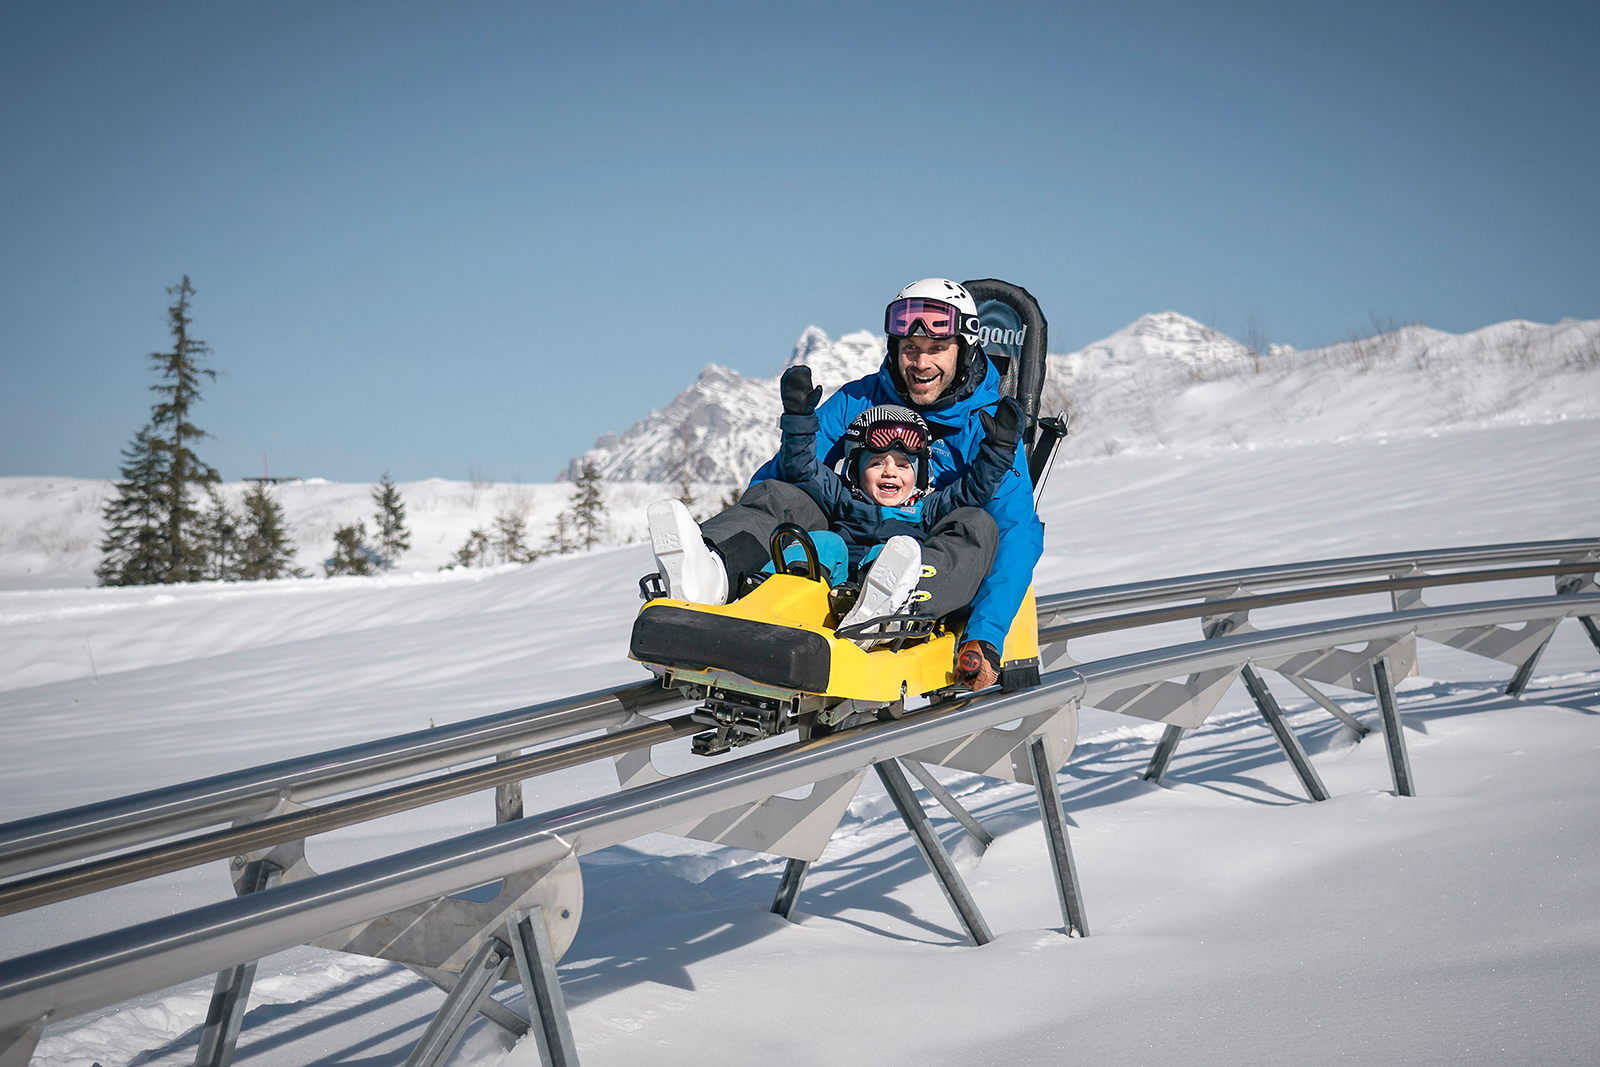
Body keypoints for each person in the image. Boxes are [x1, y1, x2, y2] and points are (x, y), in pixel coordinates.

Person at [647, 277, 1045, 690]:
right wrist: (797, 428)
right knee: (780, 492)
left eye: (936, 350)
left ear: (963, 351)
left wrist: (986, 634)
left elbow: (1016, 531)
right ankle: (711, 571)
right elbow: (789, 473)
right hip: (845, 552)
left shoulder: (991, 424)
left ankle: (896, 601)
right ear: (894, 348)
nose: (921, 363)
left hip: (930, 562)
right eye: (910, 349)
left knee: (976, 525)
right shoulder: (863, 399)